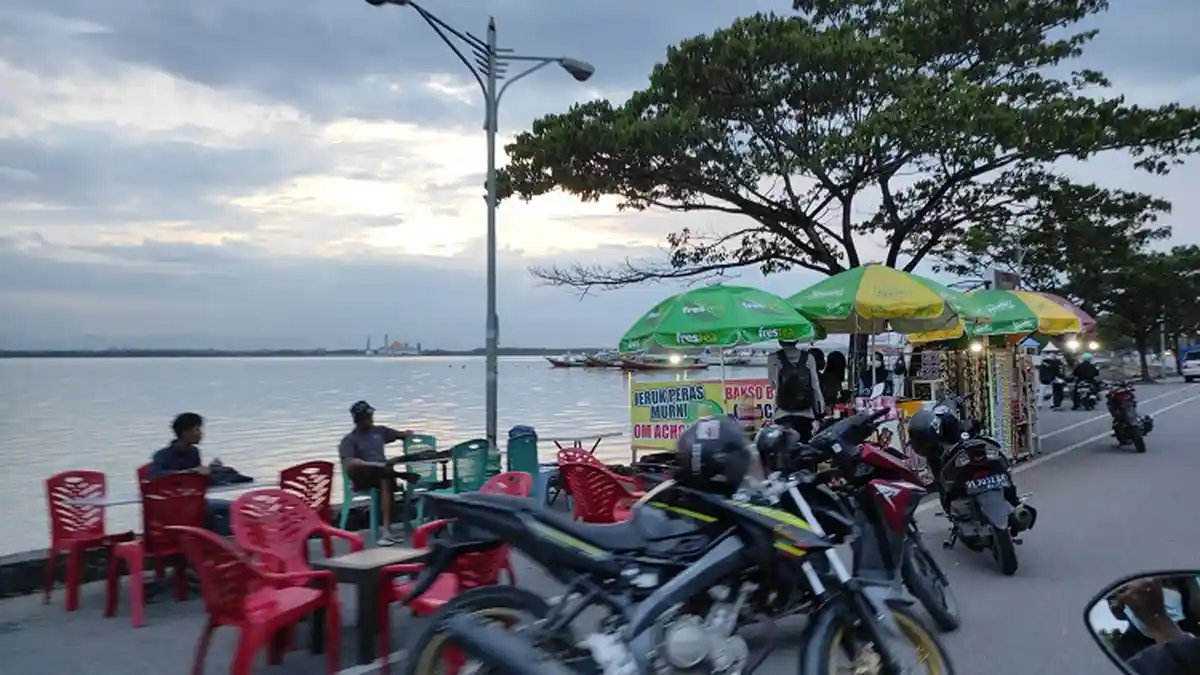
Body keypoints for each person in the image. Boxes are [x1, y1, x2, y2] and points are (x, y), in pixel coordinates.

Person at [338, 400, 418, 546]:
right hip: (363, 475)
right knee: (385, 476)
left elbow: (400, 434)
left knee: (386, 477)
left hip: (382, 473)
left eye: (371, 415)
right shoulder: (349, 440)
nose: (370, 419)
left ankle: (387, 530)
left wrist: (409, 435)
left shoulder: (379, 431)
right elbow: (349, 463)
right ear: (358, 419)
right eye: (367, 416)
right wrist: (370, 464)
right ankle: (386, 531)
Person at [148, 412, 232, 535]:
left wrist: (211, 470)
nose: (201, 434)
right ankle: (212, 541)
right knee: (210, 513)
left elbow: (198, 480)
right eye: (197, 430)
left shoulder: (194, 452)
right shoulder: (163, 455)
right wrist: (187, 472)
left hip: (194, 500)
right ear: (185, 433)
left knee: (234, 508)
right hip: (173, 505)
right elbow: (154, 475)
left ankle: (215, 540)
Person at [767, 340, 825, 443]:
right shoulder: (809, 357)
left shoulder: (773, 358)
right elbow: (815, 386)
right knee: (803, 450)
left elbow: (773, 384)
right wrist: (820, 412)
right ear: (797, 340)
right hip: (806, 415)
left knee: (784, 450)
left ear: (780, 341)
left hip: (782, 414)